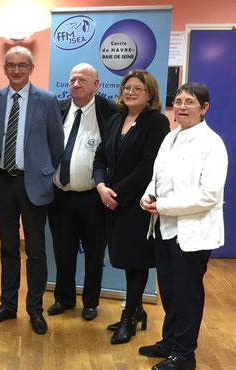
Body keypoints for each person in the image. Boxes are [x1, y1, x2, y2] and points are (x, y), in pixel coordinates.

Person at [139, 82, 228, 370]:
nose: (182, 107)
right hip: (165, 227)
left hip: (193, 232)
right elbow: (158, 176)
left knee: (187, 293)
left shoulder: (212, 144)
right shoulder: (171, 137)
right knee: (170, 290)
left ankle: (184, 353)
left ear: (204, 108)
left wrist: (163, 205)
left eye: (190, 102)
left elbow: (209, 196)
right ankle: (169, 341)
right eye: (178, 101)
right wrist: (148, 196)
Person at [0, 46, 63, 335]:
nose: (16, 70)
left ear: (31, 68)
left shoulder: (48, 100)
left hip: (34, 184)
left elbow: (57, 145)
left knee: (37, 251)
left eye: (22, 65)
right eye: (11, 65)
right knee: (7, 248)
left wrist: (42, 171)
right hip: (3, 182)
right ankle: (7, 305)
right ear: (4, 69)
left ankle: (35, 309)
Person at [93, 69, 169, 344]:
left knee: (136, 262)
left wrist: (116, 192)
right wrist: (101, 186)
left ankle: (130, 318)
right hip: (111, 200)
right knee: (123, 260)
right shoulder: (116, 119)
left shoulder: (157, 122)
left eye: (138, 88)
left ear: (150, 94)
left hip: (137, 204)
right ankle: (137, 311)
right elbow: (100, 157)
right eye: (127, 87)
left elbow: (149, 166)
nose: (131, 92)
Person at [48, 63, 117, 321]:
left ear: (96, 85)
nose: (76, 84)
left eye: (83, 80)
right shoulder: (58, 108)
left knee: (94, 252)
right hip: (60, 196)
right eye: (73, 79)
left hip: (93, 197)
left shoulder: (110, 112)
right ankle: (64, 299)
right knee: (63, 251)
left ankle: (90, 302)